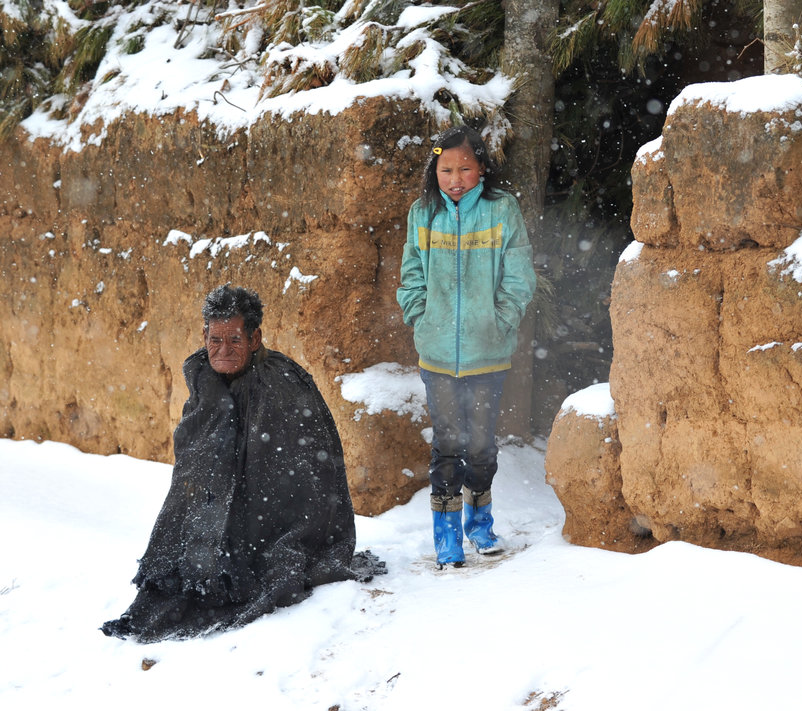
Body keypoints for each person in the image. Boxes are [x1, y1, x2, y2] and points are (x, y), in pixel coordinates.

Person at [102, 285, 383, 642]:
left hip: (273, 518)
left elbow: (304, 477)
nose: (223, 350)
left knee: (255, 566)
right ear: (204, 335)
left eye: (234, 340)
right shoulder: (205, 380)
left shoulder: (282, 384)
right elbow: (193, 464)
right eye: (215, 340)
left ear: (254, 339)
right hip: (234, 514)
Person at [396, 125, 536, 569]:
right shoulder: (423, 213)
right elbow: (412, 272)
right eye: (446, 169)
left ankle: (480, 523)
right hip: (436, 353)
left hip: (487, 353)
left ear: (481, 169)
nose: (455, 178)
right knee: (446, 443)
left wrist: (502, 319)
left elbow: (519, 274)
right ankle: (446, 536)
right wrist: (420, 315)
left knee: (480, 445)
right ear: (434, 171)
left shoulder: (501, 210)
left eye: (465, 168)